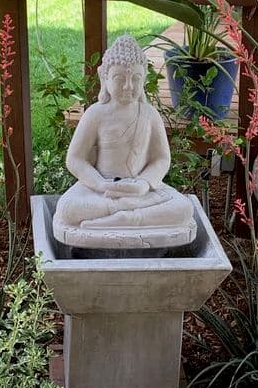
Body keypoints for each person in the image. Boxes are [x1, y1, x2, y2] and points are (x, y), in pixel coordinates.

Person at [53, 34, 196, 246]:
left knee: (184, 209)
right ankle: (123, 211)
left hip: (139, 190)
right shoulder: (95, 114)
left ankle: (125, 218)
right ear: (104, 78)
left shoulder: (149, 115)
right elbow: (75, 159)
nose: (128, 86)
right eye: (120, 79)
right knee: (67, 210)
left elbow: (161, 159)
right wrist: (100, 184)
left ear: (144, 78)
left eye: (136, 79)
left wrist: (144, 184)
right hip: (102, 192)